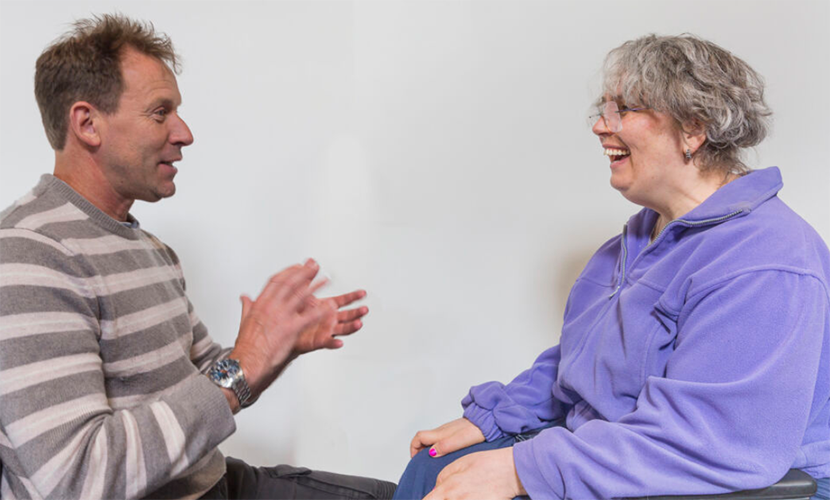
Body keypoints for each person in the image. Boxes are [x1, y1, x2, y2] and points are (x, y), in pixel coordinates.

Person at [392, 34, 830, 500]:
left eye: (625, 109)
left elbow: (710, 443)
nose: (601, 126)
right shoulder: (636, 242)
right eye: (603, 109)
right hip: (624, 455)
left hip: (712, 478)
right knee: (432, 469)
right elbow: (579, 364)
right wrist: (493, 418)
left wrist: (523, 469)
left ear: (693, 129)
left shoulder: (765, 263)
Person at [0, 14, 396, 500]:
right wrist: (245, 367)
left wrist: (276, 347)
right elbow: (75, 478)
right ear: (87, 124)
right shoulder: (28, 255)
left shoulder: (150, 250)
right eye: (160, 112)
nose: (184, 132)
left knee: (411, 491)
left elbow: (213, 378)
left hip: (216, 481)